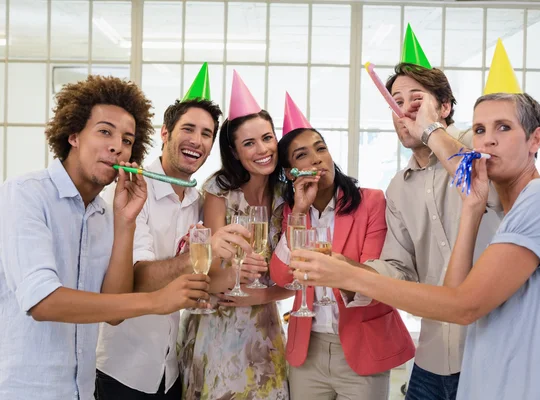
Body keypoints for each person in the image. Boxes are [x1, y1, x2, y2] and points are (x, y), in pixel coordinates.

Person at [290, 89, 540, 399]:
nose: (488, 140)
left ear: (535, 140)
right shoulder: (503, 211)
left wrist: (348, 276)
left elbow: (464, 306)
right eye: (480, 130)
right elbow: (453, 296)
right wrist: (472, 208)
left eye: (503, 127)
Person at [0, 75, 210, 399]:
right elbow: (42, 302)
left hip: (83, 392)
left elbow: (114, 315)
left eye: (127, 140)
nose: (116, 146)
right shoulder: (25, 195)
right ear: (73, 135)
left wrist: (126, 222)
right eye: (104, 132)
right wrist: (157, 300)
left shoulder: (103, 214)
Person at [367, 25, 502, 400]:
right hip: (429, 359)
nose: (405, 109)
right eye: (396, 101)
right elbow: (399, 267)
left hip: (489, 350)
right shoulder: (399, 187)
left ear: (444, 107)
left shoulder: (477, 146)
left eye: (417, 98)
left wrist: (430, 131)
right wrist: (353, 273)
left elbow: (475, 176)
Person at [269, 93, 415, 400]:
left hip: (363, 345)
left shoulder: (372, 202)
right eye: (302, 155)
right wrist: (297, 212)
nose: (317, 158)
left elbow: (375, 276)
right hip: (307, 350)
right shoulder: (290, 212)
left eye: (321, 148)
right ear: (290, 172)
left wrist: (333, 270)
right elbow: (283, 278)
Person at [95, 65, 224, 400]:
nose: (197, 140)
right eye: (189, 129)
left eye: (207, 134)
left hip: (171, 371)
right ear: (165, 133)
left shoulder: (199, 200)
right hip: (123, 371)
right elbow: (135, 280)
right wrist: (200, 255)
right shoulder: (132, 189)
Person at [178, 71, 290, 400]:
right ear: (235, 151)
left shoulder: (287, 196)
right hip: (217, 329)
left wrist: (263, 297)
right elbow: (206, 276)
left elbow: (298, 278)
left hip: (264, 333)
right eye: (249, 143)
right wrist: (237, 275)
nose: (262, 149)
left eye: (267, 138)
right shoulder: (219, 191)